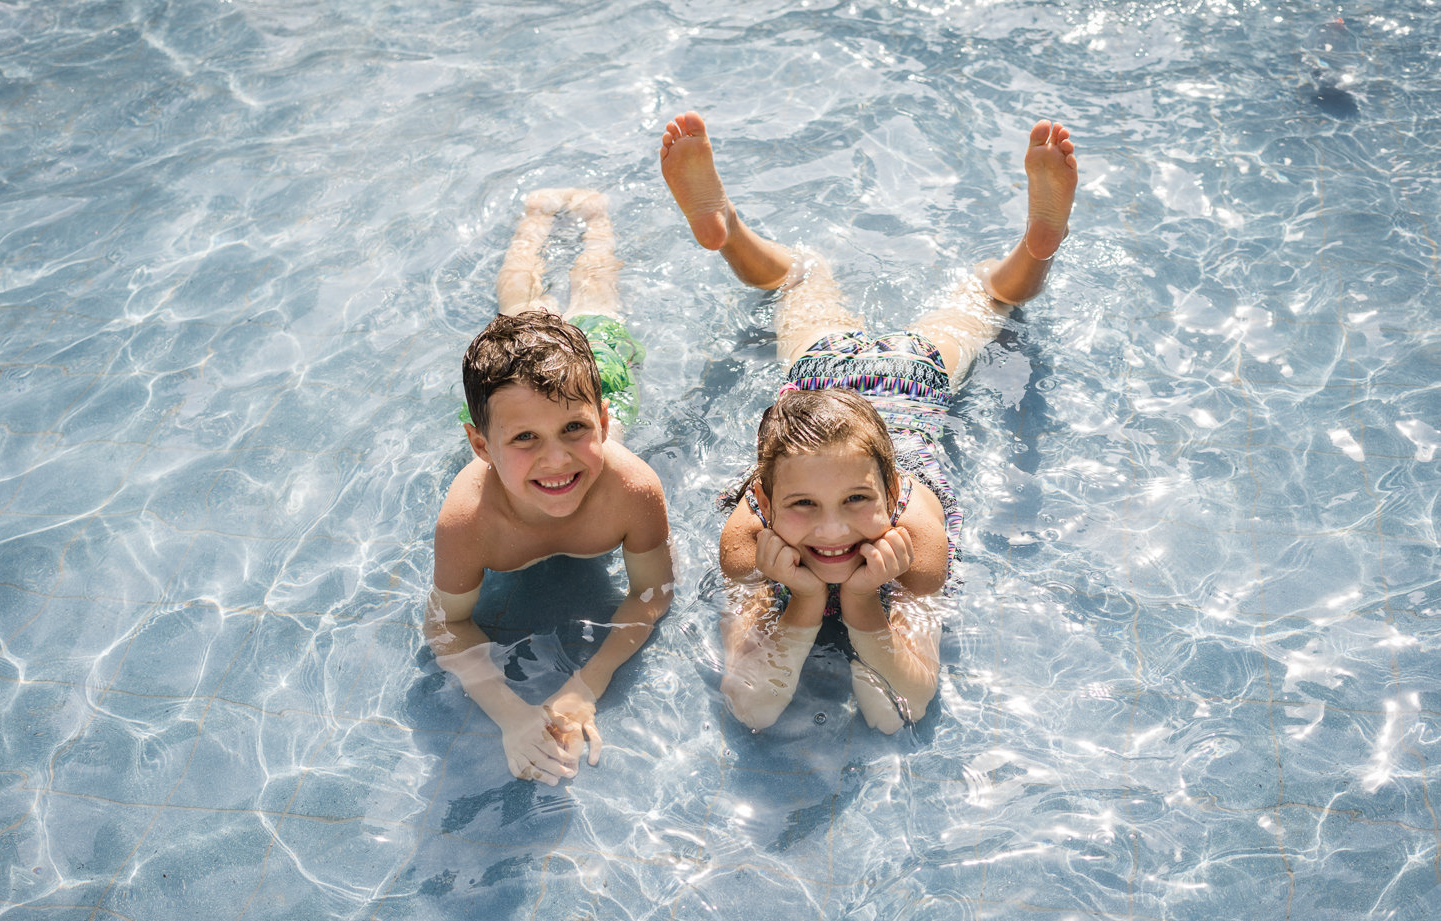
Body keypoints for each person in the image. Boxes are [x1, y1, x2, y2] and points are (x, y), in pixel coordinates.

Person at [659, 111, 1077, 733]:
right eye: (802, 506)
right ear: (764, 502)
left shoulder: (918, 537)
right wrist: (805, 601)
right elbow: (748, 706)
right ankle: (727, 225)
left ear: (895, 494)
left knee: (805, 276)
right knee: (976, 296)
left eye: (858, 500)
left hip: (878, 384)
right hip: (844, 393)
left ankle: (1038, 240)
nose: (833, 531)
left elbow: (898, 711)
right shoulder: (747, 539)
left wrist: (861, 605)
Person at [425, 189, 673, 785]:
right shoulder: (468, 522)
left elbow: (653, 591)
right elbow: (444, 623)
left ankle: (596, 217)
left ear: (604, 423)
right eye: (524, 440)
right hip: (544, 372)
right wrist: (511, 714)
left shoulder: (632, 488)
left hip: (601, 365)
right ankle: (534, 220)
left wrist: (589, 682)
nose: (556, 459)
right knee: (519, 302)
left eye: (575, 429)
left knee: (597, 297)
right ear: (481, 447)